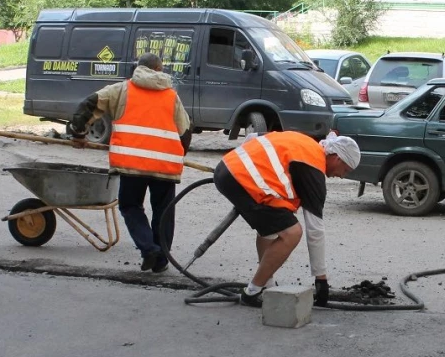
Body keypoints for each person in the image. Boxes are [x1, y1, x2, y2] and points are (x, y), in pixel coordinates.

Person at [69, 53, 191, 273]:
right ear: (159, 69)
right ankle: (161, 260)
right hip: (164, 166)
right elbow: (184, 131)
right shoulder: (172, 96)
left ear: (138, 68)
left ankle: (148, 249)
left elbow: (89, 104)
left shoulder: (121, 90)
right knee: (164, 211)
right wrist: (179, 155)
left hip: (131, 164)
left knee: (130, 206)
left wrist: (79, 133)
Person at [213, 130, 360, 307]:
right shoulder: (313, 168)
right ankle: (251, 292)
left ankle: (265, 285)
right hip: (241, 179)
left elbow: (254, 136)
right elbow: (315, 231)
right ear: (337, 158)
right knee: (292, 233)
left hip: (227, 168)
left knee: (274, 226)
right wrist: (321, 279)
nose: (342, 176)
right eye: (345, 170)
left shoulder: (307, 144)